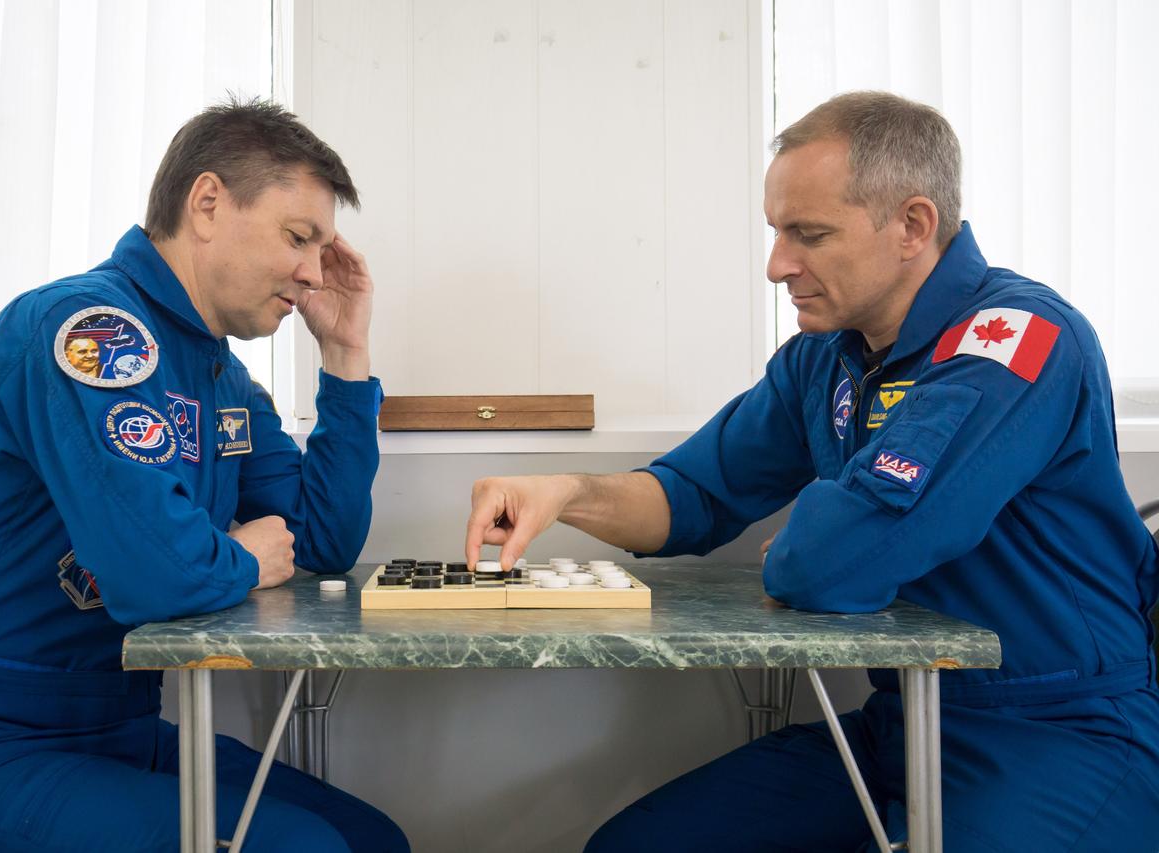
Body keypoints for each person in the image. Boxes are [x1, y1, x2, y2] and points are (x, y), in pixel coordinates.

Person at [466, 92, 1159, 851]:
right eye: (776, 232)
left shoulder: (1015, 340)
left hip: (1059, 731)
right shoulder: (825, 356)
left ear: (913, 226)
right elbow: (692, 492)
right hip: (900, 723)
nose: (776, 266)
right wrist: (566, 490)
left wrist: (810, 544)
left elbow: (835, 563)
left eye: (810, 234)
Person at [0, 98, 408, 852]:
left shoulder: (217, 374)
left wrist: (346, 358)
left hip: (115, 726)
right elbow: (154, 572)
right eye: (300, 238)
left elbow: (322, 537)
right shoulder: (88, 331)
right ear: (207, 203)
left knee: (370, 839)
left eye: (322, 251)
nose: (314, 273)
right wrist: (248, 557)